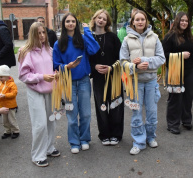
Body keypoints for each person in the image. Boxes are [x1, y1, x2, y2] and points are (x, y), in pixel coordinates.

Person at [120, 10, 165, 155]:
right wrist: (135, 67)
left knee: (152, 112)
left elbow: (161, 58)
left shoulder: (155, 38)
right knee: (136, 112)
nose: (140, 22)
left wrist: (145, 61)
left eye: (142, 19)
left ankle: (151, 137)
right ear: (132, 22)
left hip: (151, 81)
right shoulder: (127, 40)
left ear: (146, 21)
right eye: (137, 19)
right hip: (135, 82)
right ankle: (138, 141)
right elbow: (123, 62)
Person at [53, 13, 99, 154]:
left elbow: (94, 49)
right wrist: (67, 66)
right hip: (68, 83)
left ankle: (84, 139)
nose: (71, 23)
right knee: (72, 115)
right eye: (68, 21)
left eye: (73, 21)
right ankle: (74, 141)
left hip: (84, 80)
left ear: (76, 23)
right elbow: (55, 64)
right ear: (64, 24)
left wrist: (87, 32)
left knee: (85, 113)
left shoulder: (83, 39)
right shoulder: (58, 43)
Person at [18, 22, 60, 167]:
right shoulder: (25, 51)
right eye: (38, 33)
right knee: (40, 124)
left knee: (51, 121)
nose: (42, 36)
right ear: (32, 34)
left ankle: (49, 148)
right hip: (35, 91)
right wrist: (42, 77)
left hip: (51, 90)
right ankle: (37, 155)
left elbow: (54, 67)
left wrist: (57, 74)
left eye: (43, 32)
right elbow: (23, 76)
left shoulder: (50, 49)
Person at [89, 9, 124, 145]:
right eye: (99, 17)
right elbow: (86, 59)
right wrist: (95, 67)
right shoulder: (89, 38)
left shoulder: (113, 37)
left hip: (113, 76)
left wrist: (111, 68)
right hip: (98, 78)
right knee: (101, 106)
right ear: (95, 19)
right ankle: (104, 134)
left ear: (107, 22)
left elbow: (121, 57)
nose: (101, 20)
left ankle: (116, 134)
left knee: (116, 105)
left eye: (104, 18)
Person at [162, 12, 193, 134]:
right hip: (175, 71)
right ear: (177, 21)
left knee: (188, 97)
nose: (184, 23)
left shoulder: (188, 36)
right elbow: (164, 55)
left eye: (186, 21)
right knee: (175, 98)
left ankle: (186, 120)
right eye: (182, 20)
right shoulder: (169, 37)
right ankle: (173, 124)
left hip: (189, 71)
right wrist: (180, 55)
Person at [0, 65, 20, 139]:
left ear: (7, 76)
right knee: (5, 120)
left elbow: (14, 93)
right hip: (2, 106)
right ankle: (7, 131)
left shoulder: (12, 84)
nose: (0, 79)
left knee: (12, 119)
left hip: (11, 105)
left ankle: (15, 131)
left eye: (1, 77)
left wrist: (5, 95)